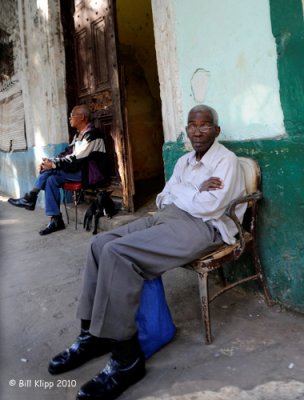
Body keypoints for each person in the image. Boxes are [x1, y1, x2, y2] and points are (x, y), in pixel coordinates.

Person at [48, 104, 247, 400]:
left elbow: (209, 207)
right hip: (170, 216)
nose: (197, 131)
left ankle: (126, 359)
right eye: (192, 125)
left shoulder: (227, 161)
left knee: (117, 253)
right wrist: (193, 189)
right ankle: (92, 335)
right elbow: (163, 197)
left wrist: (184, 192)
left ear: (216, 130)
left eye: (204, 125)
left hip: (204, 229)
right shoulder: (184, 162)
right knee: (99, 245)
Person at [8, 104, 107, 235]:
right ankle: (56, 219)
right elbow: (67, 153)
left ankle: (30, 197)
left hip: (89, 174)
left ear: (82, 117)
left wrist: (53, 165)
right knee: (51, 180)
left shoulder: (92, 135)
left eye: (71, 115)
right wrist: (51, 161)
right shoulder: (79, 135)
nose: (69, 118)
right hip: (78, 171)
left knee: (50, 171)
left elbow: (77, 159)